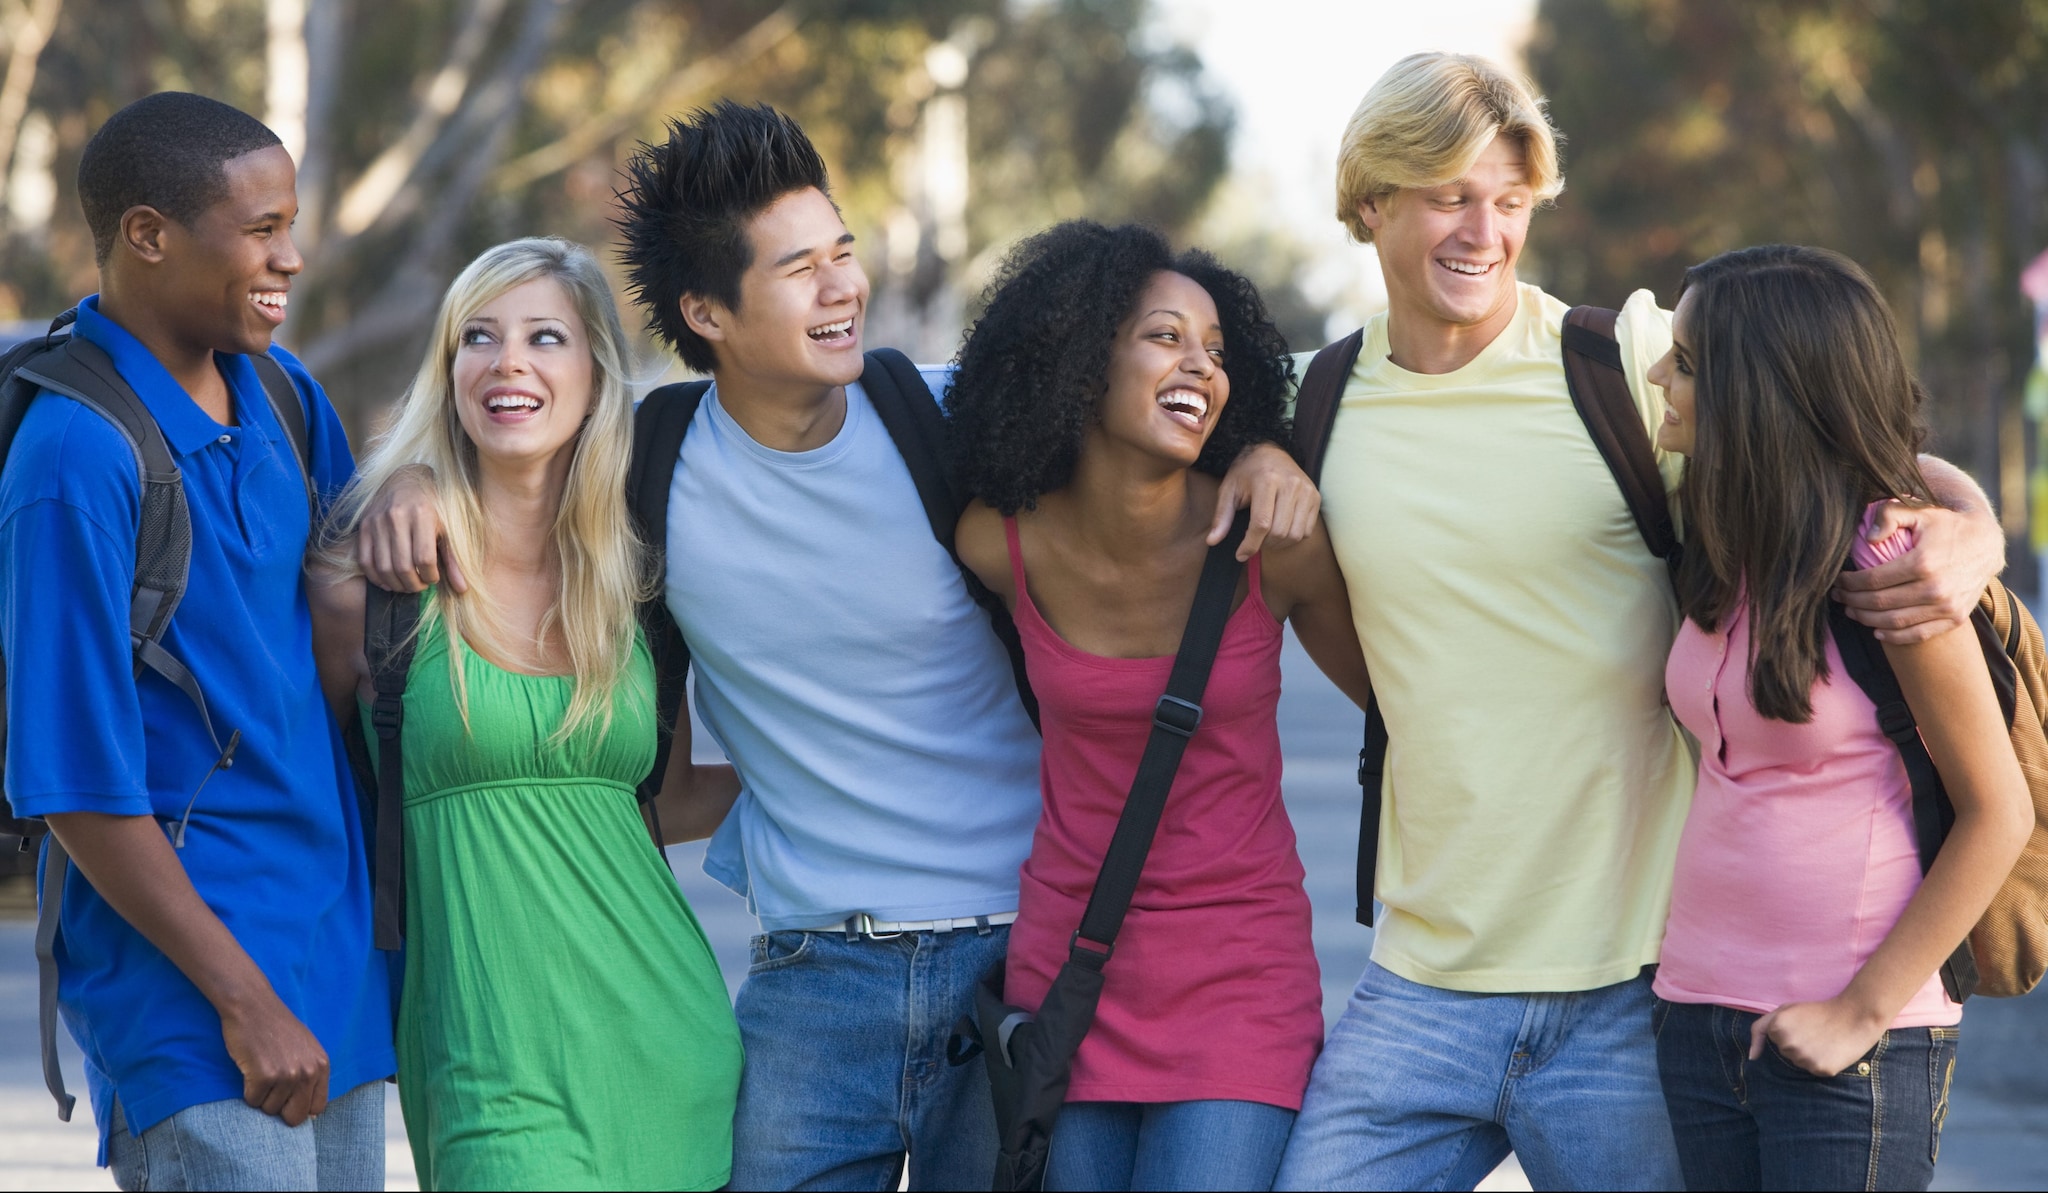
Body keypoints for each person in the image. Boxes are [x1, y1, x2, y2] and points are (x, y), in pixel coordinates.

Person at [353, 102, 1321, 1190]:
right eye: (799, 269)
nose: (842, 287)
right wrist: (413, 480)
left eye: (843, 254)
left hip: (1008, 961)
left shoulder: (951, 427)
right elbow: (520, 435)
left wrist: (1268, 452)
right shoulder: (649, 465)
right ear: (706, 310)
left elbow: (1145, 425)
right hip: (811, 976)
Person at [1274, 54, 2008, 1192]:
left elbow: (1812, 420)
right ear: (1369, 199)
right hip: (1421, 978)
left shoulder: (1612, 358)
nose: (1484, 230)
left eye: (1509, 201)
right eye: (1447, 195)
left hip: (1639, 984)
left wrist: (1971, 524)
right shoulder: (1308, 403)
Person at [0, 93, 393, 1189]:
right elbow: (71, 782)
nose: (293, 256)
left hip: (331, 964)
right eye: (261, 228)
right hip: (199, 1007)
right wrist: (244, 998)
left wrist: (404, 499)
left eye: (291, 223)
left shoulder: (279, 389)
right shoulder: (74, 457)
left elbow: (343, 625)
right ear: (147, 234)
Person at [308, 237, 742, 1191]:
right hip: (483, 1062)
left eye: (546, 337)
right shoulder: (366, 589)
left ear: (594, 375)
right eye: (479, 337)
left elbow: (655, 805)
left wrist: (810, 771)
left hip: (668, 1044)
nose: (508, 362)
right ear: (449, 371)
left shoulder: (637, 583)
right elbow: (299, 800)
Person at [946, 221, 1371, 1192]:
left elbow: (1396, 699)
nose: (1199, 365)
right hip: (1068, 981)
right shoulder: (995, 541)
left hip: (1238, 980)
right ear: (1079, 360)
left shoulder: (1272, 542)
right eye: (1164, 336)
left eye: (1216, 351)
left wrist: (1270, 449)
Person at [1643, 244, 2031, 1192]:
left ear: (1759, 392)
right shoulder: (1719, 536)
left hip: (1857, 1035)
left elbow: (1999, 810)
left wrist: (1859, 1011)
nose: (1658, 374)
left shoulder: (1888, 563)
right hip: (1696, 1014)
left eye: (1687, 362)